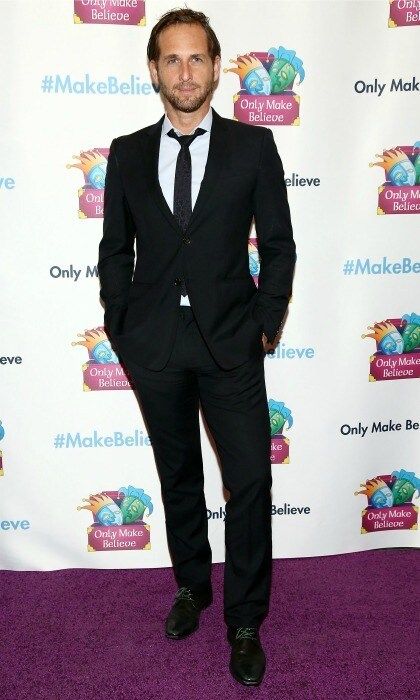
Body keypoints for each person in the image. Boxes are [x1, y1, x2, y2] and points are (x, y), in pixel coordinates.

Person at [98, 7, 296, 687]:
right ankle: (192, 588)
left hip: (229, 343)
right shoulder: (125, 153)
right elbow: (113, 252)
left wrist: (264, 325)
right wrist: (119, 323)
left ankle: (244, 620)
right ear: (154, 70)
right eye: (171, 59)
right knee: (177, 475)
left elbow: (278, 246)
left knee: (250, 481)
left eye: (197, 58)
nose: (185, 72)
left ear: (216, 67)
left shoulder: (253, 148)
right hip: (153, 342)